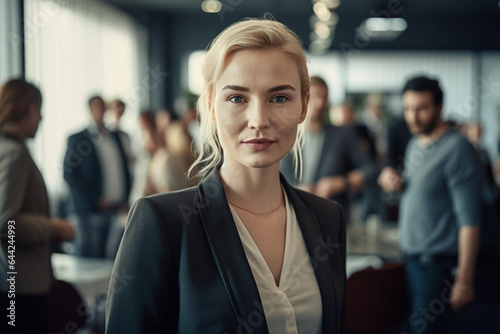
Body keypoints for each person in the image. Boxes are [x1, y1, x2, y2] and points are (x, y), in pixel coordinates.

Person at [106, 18, 346, 334]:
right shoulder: (164, 223)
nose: (258, 120)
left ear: (304, 106)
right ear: (210, 105)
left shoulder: (327, 218)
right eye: (237, 98)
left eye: (279, 98)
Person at [378, 76, 481, 334]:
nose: (413, 117)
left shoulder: (458, 149)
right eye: (407, 109)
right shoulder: (415, 143)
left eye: (421, 108)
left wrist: (465, 280)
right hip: (411, 260)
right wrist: (394, 185)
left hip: (437, 266)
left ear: (439, 106)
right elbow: (418, 195)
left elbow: (470, 221)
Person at [0, 79, 74, 333]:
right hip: (20, 284)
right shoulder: (14, 153)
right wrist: (52, 227)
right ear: (30, 108)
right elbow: (5, 223)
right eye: (40, 109)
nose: (42, 117)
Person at [280, 76, 377, 222]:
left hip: (331, 219)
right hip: (291, 218)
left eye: (324, 98)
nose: (320, 103)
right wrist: (296, 191)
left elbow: (370, 170)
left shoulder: (343, 135)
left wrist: (341, 183)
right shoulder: (286, 135)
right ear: (303, 98)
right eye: (315, 97)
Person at [63, 95, 132, 258]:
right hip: (90, 211)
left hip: (116, 207)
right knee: (89, 256)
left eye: (103, 107)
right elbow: (69, 174)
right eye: (96, 107)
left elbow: (125, 169)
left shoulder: (116, 136)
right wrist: (94, 199)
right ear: (89, 110)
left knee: (112, 257)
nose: (100, 111)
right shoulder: (78, 138)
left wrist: (125, 197)